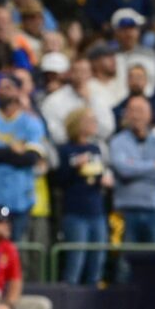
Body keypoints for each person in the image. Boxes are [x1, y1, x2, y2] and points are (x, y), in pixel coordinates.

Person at [0, 76, 46, 241]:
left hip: (19, 198)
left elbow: (30, 158)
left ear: (19, 92)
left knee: (12, 252)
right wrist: (12, 150)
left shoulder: (31, 122)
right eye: (0, 87)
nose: (2, 91)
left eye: (8, 87)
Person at [54, 109, 109, 285]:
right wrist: (74, 167)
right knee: (75, 262)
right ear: (78, 123)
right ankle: (69, 304)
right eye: (90, 120)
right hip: (75, 212)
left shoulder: (95, 148)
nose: (94, 123)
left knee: (97, 261)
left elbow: (98, 177)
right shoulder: (65, 150)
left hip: (97, 211)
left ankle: (96, 306)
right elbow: (58, 180)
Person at [110, 97, 155, 252]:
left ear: (150, 115)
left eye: (141, 111)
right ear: (126, 115)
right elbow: (123, 170)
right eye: (133, 111)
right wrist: (153, 165)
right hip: (126, 210)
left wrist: (134, 165)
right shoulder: (117, 142)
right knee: (125, 262)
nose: (137, 116)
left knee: (153, 260)